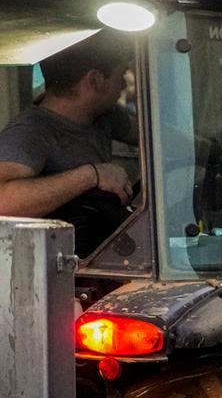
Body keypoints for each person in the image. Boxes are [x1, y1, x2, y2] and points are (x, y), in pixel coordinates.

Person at [0, 30, 135, 254]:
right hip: (56, 273)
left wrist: (209, 149)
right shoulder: (30, 133)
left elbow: (156, 138)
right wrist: (92, 175)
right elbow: (3, 201)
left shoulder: (105, 116)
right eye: (121, 73)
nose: (123, 83)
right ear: (96, 79)